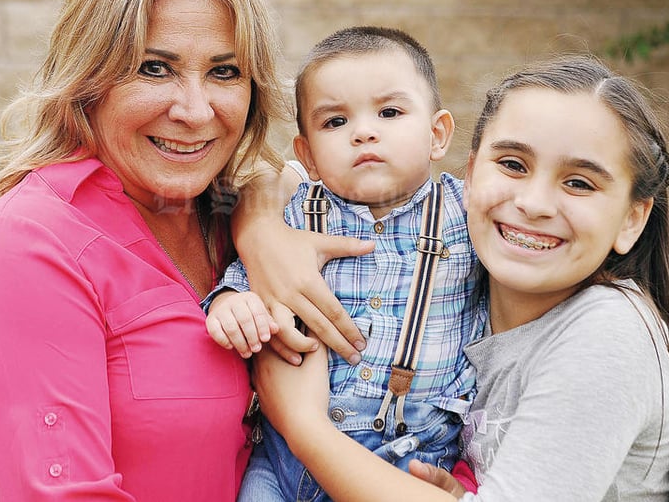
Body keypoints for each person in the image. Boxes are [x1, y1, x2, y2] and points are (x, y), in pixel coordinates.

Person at [0, 0, 370, 501]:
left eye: (224, 72)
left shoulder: (232, 215)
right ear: (89, 80)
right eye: (154, 68)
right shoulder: (27, 244)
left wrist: (260, 222)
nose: (194, 110)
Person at [252, 55, 669, 502]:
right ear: (471, 171)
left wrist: (302, 425)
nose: (534, 203)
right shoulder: (454, 283)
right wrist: (260, 233)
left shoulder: (609, 331)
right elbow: (271, 176)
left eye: (579, 182)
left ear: (632, 219)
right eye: (513, 165)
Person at [204, 26, 485, 501]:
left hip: (410, 456)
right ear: (307, 155)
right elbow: (253, 272)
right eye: (335, 122)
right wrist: (231, 302)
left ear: (437, 135)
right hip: (284, 461)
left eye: (390, 112)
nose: (364, 131)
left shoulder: (468, 215)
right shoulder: (293, 214)